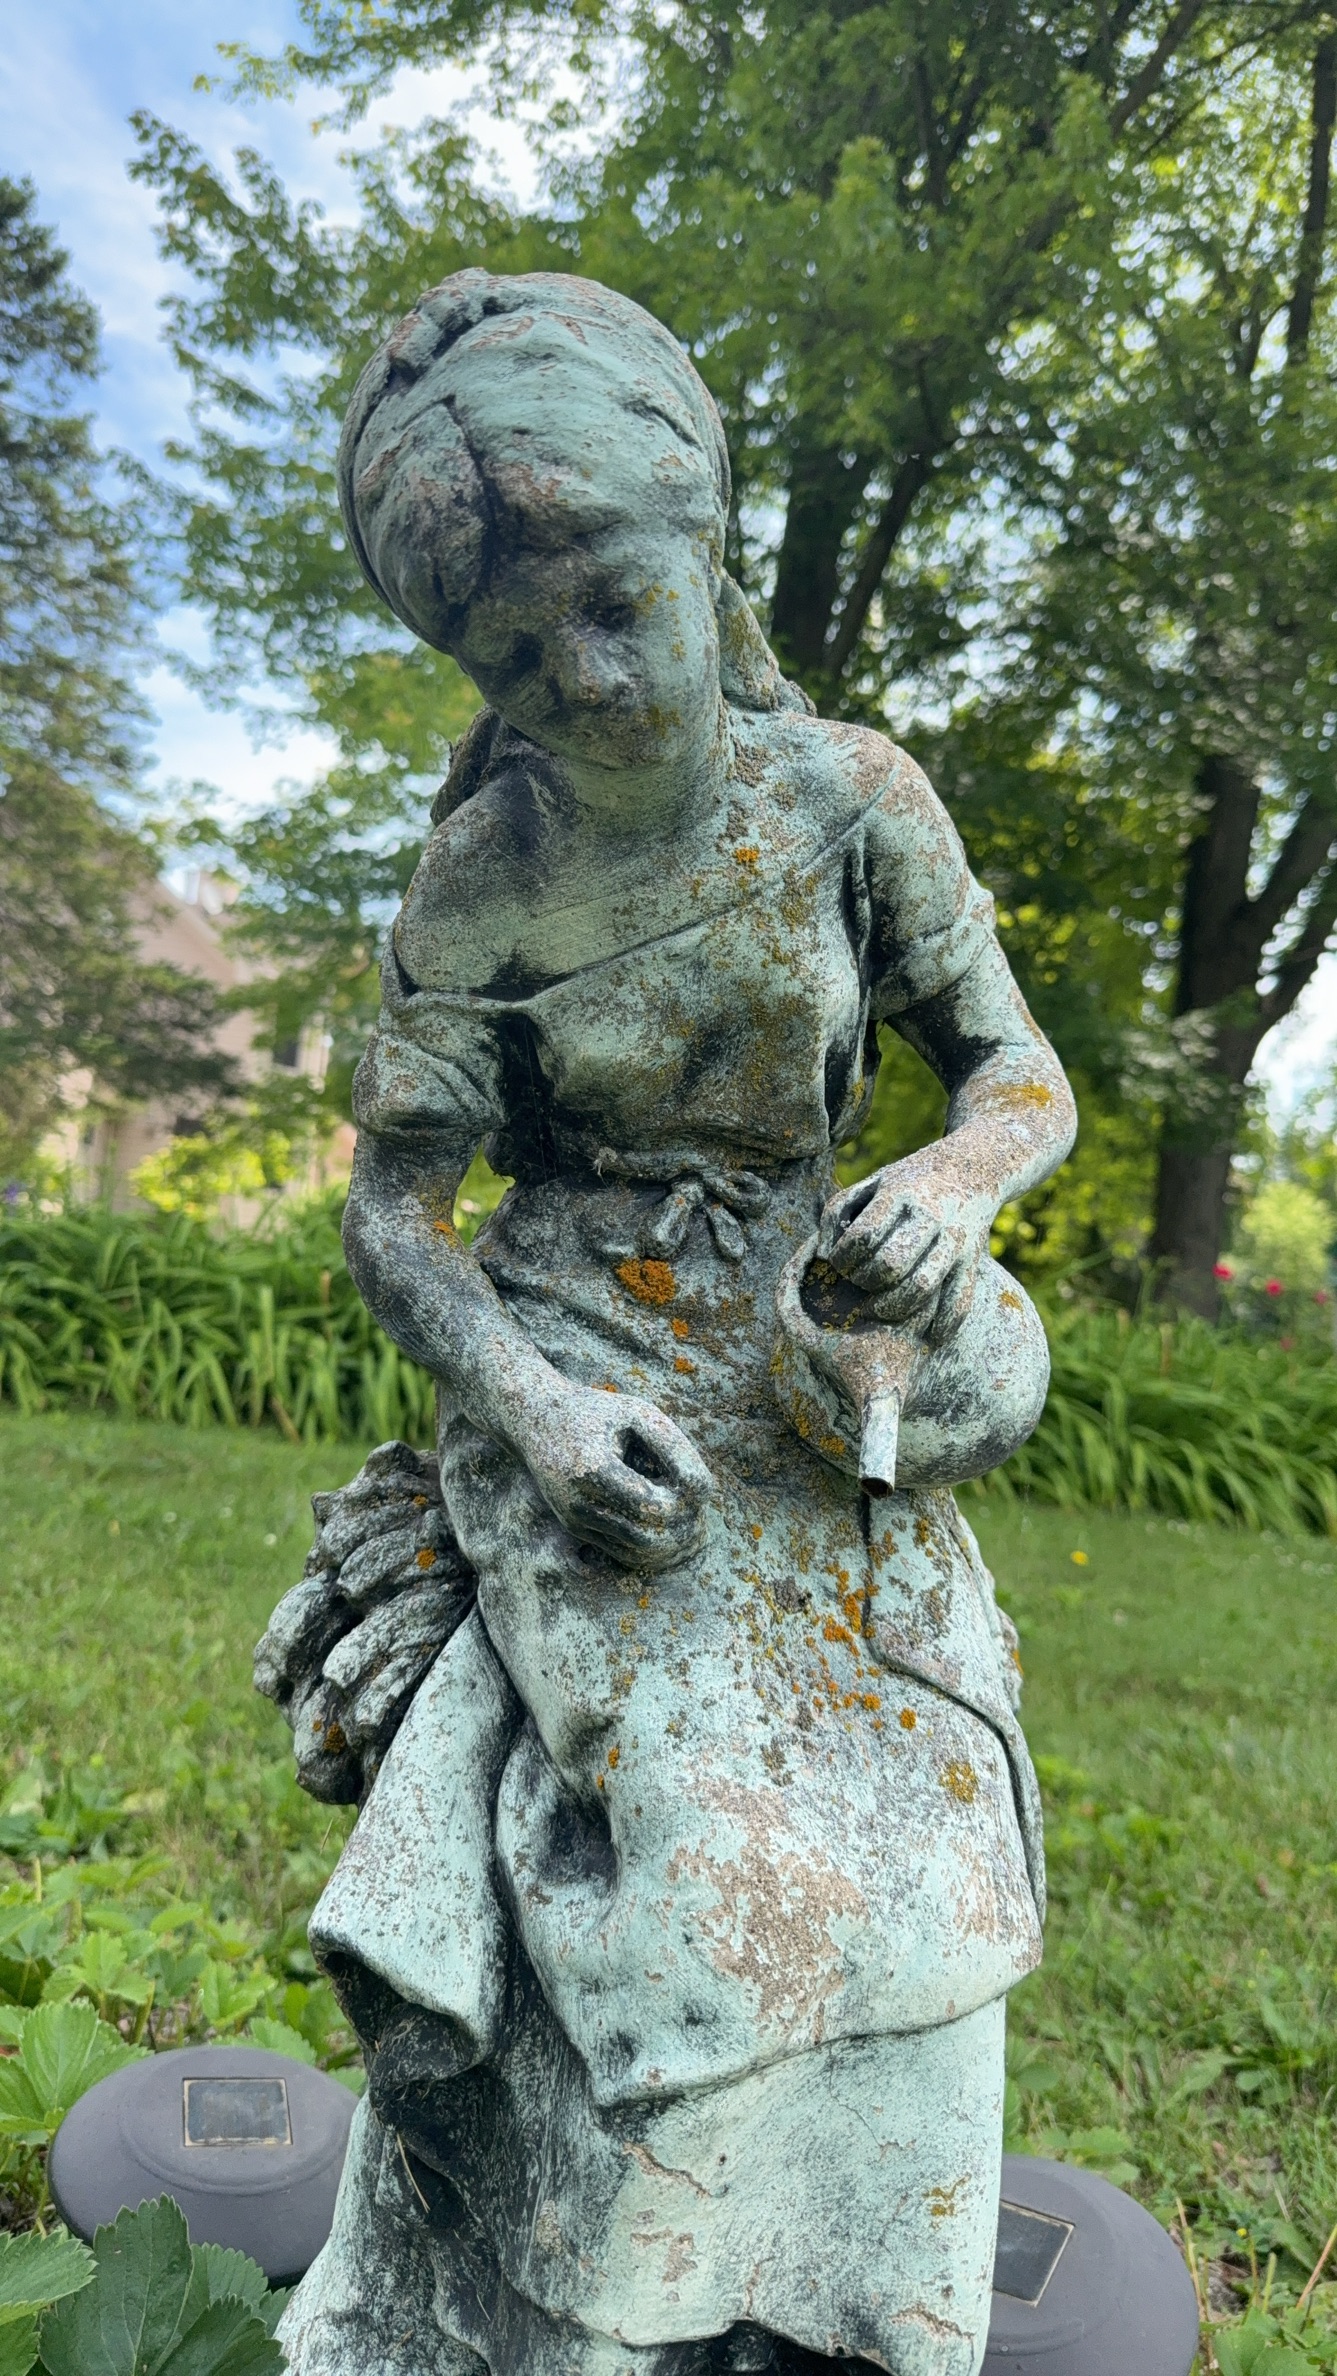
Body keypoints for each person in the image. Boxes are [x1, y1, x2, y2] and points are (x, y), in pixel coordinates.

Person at [269, 269, 1076, 2376]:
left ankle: (850, 2299)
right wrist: (532, 1415)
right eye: (512, 658)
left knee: (922, 1780)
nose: (587, 682)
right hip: (576, 1365)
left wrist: (947, 1188)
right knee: (702, 1841)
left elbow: (1020, 1081)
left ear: (702, 542)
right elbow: (394, 1220)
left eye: (616, 605)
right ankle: (600, 2310)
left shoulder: (853, 797)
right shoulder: (479, 879)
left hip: (816, 1350)